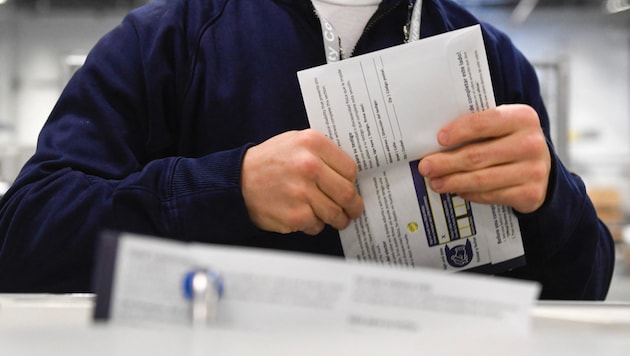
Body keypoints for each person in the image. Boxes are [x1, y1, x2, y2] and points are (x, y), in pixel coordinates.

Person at [0, 0, 614, 299]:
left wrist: (550, 201)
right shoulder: (165, 39)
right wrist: (226, 189)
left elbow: (579, 292)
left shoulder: (488, 56)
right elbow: (22, 239)